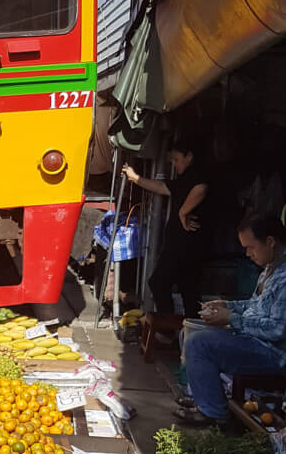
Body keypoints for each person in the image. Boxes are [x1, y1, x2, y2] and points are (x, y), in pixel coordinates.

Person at [176, 213, 286, 427]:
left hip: (273, 353)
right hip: (254, 340)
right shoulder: (269, 270)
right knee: (188, 333)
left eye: (251, 247)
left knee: (199, 343)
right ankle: (204, 397)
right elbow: (256, 305)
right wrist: (227, 306)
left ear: (270, 242)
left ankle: (214, 413)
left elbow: (278, 330)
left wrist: (233, 319)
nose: (247, 254)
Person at [122, 140, 211, 317]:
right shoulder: (185, 178)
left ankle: (167, 328)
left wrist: (183, 212)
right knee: (188, 289)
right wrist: (136, 179)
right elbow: (164, 187)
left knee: (159, 282)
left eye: (176, 159)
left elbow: (201, 188)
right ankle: (188, 329)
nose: (174, 164)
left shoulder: (197, 175)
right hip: (186, 244)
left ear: (189, 156)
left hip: (184, 243)